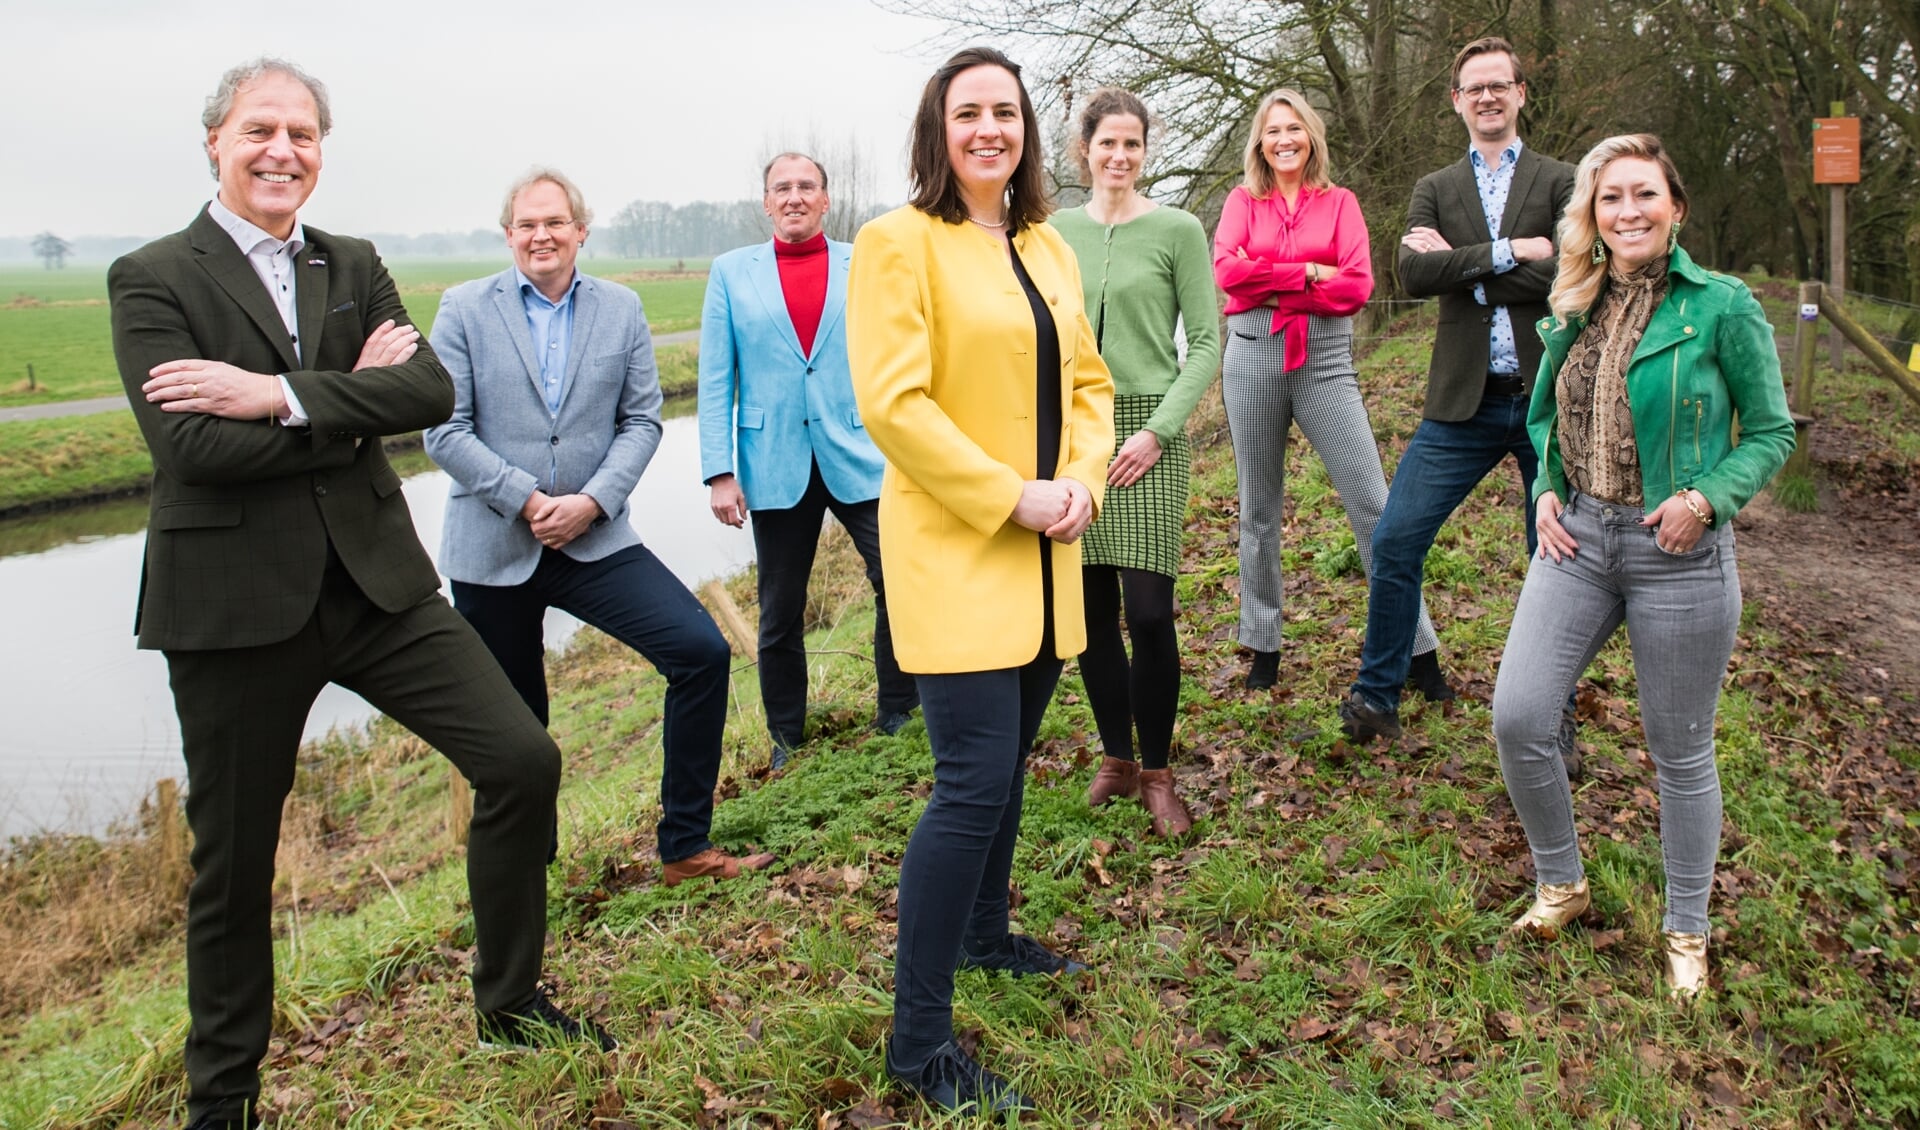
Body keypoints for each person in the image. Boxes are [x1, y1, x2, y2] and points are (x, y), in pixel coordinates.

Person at [109, 61, 607, 1130]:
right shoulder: (152, 277)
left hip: (379, 584)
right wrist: (344, 398)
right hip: (234, 604)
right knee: (234, 863)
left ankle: (510, 1002)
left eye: (301, 131)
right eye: (259, 130)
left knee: (522, 758)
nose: (281, 149)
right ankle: (223, 1097)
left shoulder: (356, 260)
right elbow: (190, 445)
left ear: (321, 148)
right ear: (215, 142)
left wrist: (274, 394)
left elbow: (427, 391)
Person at [847, 46, 1114, 1117]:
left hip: (1050, 555)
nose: (989, 128)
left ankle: (985, 936)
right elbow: (896, 406)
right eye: (969, 113)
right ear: (938, 130)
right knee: (969, 784)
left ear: (1026, 131)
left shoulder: (1048, 245)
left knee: (1007, 774)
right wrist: (1013, 494)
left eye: (1005, 111)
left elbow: (1089, 383)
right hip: (960, 550)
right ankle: (918, 1043)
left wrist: (1084, 478)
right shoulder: (897, 243)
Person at [1490, 134, 1793, 998]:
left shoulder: (1724, 307)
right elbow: (1547, 413)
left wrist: (1705, 501)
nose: (1628, 212)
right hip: (1578, 542)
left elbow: (1771, 432)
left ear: (1676, 207)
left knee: (1680, 751)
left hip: (1678, 556)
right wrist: (1546, 486)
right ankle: (1562, 883)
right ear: (1593, 213)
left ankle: (1687, 929)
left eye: (1644, 196)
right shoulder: (1575, 298)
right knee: (1519, 718)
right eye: (1611, 198)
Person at [424, 170, 772, 888]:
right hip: (493, 545)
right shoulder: (462, 308)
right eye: (525, 225)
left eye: (554, 222)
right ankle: (529, 874)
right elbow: (443, 429)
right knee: (517, 725)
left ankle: (684, 847)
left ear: (581, 231)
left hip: (594, 536)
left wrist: (591, 501)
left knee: (700, 652)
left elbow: (642, 419)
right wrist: (525, 499)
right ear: (509, 234)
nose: (540, 236)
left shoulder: (621, 307)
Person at [1340, 38, 1578, 747]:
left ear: (1521, 92)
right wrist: (1512, 253)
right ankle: (1378, 697)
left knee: (1556, 559)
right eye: (1473, 88)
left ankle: (1553, 717)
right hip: (1461, 403)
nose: (1487, 97)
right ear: (1456, 100)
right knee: (1396, 538)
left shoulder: (1564, 181)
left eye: (1499, 85)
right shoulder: (1436, 186)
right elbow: (1413, 277)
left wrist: (1459, 264)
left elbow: (1569, 276)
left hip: (1546, 399)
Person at [1213, 89, 1439, 691]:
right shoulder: (1242, 201)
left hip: (1325, 357)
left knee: (1373, 502)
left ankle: (1418, 649)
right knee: (1258, 509)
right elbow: (1225, 274)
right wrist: (1310, 271)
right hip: (1253, 353)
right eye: (1272, 131)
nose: (1283, 139)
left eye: (1294, 129)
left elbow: (1358, 287)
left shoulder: (1340, 202)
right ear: (1259, 143)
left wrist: (1270, 280)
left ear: (1311, 136)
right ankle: (1263, 645)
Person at [698, 152, 917, 767]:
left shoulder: (865, 261)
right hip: (773, 460)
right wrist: (720, 471)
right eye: (781, 188)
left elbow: (894, 351)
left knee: (897, 581)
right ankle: (786, 740)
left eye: (806, 187)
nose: (794, 197)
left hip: (861, 450)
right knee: (780, 610)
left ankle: (900, 710)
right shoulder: (730, 273)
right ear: (766, 203)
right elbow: (716, 379)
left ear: (825, 199)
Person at [1051, 89, 1220, 836]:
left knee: (1149, 613)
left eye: (1133, 145)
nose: (1120, 157)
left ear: (1145, 152)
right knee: (1087, 615)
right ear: (1083, 149)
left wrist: (1157, 430)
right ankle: (1115, 759)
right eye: (1107, 144)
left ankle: (1157, 772)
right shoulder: (1051, 233)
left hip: (1150, 435)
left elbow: (1208, 343)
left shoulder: (1179, 230)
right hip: (1075, 435)